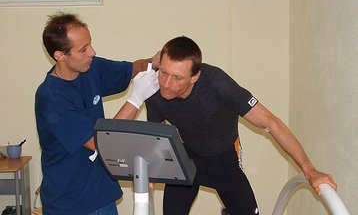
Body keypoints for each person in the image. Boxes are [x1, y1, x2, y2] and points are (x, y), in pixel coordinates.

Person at [145, 36, 337, 215]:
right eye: (164, 72)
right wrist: (154, 168)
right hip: (187, 158)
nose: (167, 84)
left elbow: (270, 122)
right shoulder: (154, 88)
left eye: (178, 77)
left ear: (194, 77)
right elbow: (158, 134)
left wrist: (310, 171)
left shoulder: (217, 83)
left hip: (225, 160)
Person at [35, 12, 159, 215]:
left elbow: (130, 69)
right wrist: (136, 99)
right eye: (83, 49)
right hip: (70, 203)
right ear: (60, 55)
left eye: (90, 44)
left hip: (101, 195)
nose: (92, 52)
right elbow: (104, 142)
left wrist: (152, 63)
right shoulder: (52, 98)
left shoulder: (90, 67)